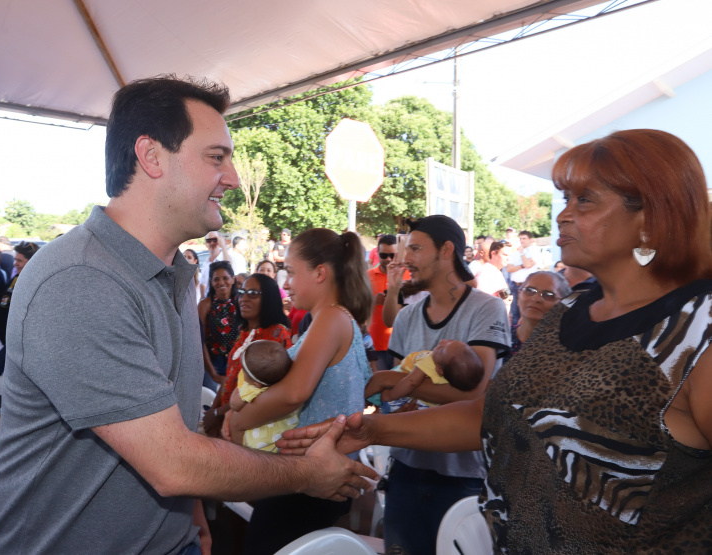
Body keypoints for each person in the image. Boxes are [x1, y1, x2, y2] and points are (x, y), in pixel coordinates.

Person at [0, 76, 375, 555]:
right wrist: (305, 474)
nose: (231, 177)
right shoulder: (81, 279)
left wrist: (190, 519)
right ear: (151, 156)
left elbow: (176, 429)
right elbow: (173, 463)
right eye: (216, 157)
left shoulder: (174, 275)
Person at [281, 129, 712, 553]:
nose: (563, 215)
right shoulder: (569, 311)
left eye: (585, 200)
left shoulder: (698, 332)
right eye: (565, 199)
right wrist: (372, 430)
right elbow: (496, 417)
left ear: (652, 216)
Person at [354, 215, 511, 555]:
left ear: (447, 250)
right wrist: (394, 388)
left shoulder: (487, 308)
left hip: (464, 477)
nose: (405, 258)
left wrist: (398, 383)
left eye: (415, 248)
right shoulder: (409, 316)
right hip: (405, 470)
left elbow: (474, 392)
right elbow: (391, 394)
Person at [226, 227, 374, 555]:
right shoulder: (334, 319)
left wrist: (239, 422)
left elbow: (295, 392)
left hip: (306, 477)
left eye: (291, 272)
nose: (287, 283)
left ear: (320, 273)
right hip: (309, 473)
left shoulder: (331, 318)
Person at [202, 273, 293, 438]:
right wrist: (215, 411)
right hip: (226, 418)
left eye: (252, 293)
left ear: (269, 298)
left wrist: (219, 413)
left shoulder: (277, 334)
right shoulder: (244, 332)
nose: (244, 298)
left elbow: (263, 391)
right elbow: (230, 376)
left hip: (250, 426)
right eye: (242, 292)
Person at [227, 340, 297, 452]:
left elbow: (234, 405)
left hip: (258, 441)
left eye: (244, 371)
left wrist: (241, 388)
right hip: (279, 436)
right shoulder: (284, 382)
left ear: (257, 384)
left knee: (245, 452)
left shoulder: (252, 389)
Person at [374, 340, 485, 408]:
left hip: (399, 393)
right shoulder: (450, 373)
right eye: (450, 341)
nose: (442, 341)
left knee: (373, 384)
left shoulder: (430, 361)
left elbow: (411, 382)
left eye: (442, 349)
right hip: (426, 405)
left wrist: (390, 395)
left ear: (439, 370)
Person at [367, 234, 409, 370]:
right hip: (376, 344)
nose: (388, 259)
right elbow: (356, 308)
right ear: (377, 253)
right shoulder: (368, 276)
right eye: (384, 255)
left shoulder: (408, 275)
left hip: (403, 342)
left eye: (392, 255)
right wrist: (372, 302)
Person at [508, 271, 570, 360]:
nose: (536, 298)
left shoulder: (567, 350)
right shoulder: (500, 337)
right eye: (529, 290)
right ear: (518, 296)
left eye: (548, 295)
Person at [199, 260, 240, 390]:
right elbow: (200, 340)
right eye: (216, 279)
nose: (221, 282)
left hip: (238, 361)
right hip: (212, 362)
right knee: (210, 399)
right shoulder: (205, 305)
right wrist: (213, 373)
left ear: (233, 279)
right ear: (211, 282)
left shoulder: (242, 302)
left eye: (225, 278)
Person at [0, 241, 39, 345]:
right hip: (4, 340)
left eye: (19, 260)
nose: (15, 264)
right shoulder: (17, 278)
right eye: (15, 260)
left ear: (32, 262)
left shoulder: (36, 284)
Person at [505, 230, 537, 325]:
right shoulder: (516, 253)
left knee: (525, 312)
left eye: (524, 238)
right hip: (514, 285)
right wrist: (521, 266)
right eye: (520, 238)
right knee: (515, 312)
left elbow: (527, 264)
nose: (522, 241)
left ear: (530, 239)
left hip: (527, 286)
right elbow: (509, 268)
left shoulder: (535, 251)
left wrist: (523, 254)